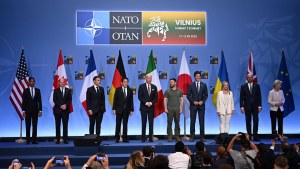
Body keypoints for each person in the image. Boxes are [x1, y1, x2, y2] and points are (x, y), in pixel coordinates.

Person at [240, 73, 262, 141]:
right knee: (248, 121)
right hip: (247, 106)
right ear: (246, 78)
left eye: (251, 77)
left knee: (256, 120)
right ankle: (249, 136)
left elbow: (259, 96)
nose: (249, 78)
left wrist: (260, 106)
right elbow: (241, 97)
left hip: (255, 107)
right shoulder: (243, 86)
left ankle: (255, 135)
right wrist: (241, 107)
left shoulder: (257, 86)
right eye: (248, 77)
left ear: (253, 78)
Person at [187, 71, 208, 142]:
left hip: (201, 106)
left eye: (199, 76)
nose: (198, 77)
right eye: (196, 76)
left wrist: (203, 101)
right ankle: (192, 136)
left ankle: (202, 137)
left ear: (200, 77)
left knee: (201, 121)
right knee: (192, 121)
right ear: (194, 77)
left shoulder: (204, 85)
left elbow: (206, 95)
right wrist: (193, 101)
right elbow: (188, 95)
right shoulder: (191, 85)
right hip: (193, 106)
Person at [113, 77, 134, 143]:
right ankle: (117, 138)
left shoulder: (130, 90)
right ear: (121, 83)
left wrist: (131, 110)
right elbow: (115, 100)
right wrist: (114, 109)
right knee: (118, 124)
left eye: (127, 82)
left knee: (125, 124)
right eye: (124, 82)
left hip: (126, 110)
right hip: (119, 110)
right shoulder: (117, 89)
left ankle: (125, 138)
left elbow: (131, 101)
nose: (126, 83)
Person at [22, 77, 42, 144]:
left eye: (33, 81)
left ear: (34, 82)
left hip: (35, 111)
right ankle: (28, 140)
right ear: (29, 82)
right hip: (27, 111)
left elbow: (40, 101)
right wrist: (23, 111)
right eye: (31, 81)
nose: (32, 82)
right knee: (28, 125)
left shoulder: (38, 90)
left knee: (35, 125)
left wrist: (40, 110)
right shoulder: (25, 90)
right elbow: (23, 101)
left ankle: (34, 140)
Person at [138, 74, 158, 142]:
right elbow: (140, 97)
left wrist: (151, 103)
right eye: (148, 78)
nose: (149, 79)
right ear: (145, 78)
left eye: (150, 78)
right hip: (143, 107)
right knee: (144, 122)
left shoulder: (154, 87)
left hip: (151, 108)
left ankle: (150, 137)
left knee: (151, 123)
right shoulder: (141, 86)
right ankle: (143, 138)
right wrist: (146, 103)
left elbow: (156, 98)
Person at [53, 78, 72, 144]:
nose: (62, 83)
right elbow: (54, 100)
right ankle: (58, 139)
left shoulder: (68, 90)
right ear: (59, 83)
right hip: (58, 110)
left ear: (65, 83)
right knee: (57, 125)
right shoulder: (56, 90)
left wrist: (65, 105)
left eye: (63, 82)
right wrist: (61, 105)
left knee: (65, 125)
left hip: (65, 111)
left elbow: (70, 100)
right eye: (61, 82)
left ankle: (65, 139)